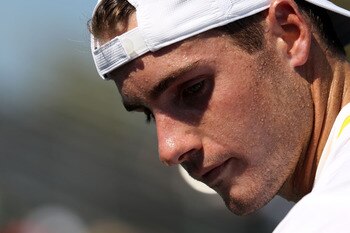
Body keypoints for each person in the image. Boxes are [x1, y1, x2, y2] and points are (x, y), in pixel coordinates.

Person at [88, 0, 350, 231]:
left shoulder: (329, 217)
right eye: (148, 114)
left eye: (193, 90)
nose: (168, 149)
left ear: (290, 34)